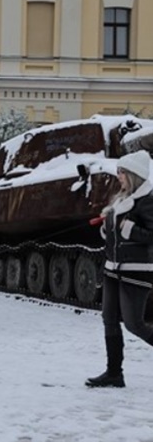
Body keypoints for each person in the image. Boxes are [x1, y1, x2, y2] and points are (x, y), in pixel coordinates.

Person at [86, 150, 153, 388]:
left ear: (134, 175)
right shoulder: (120, 200)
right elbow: (115, 235)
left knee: (135, 324)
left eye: (122, 173)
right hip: (113, 268)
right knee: (109, 319)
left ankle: (114, 372)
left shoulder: (147, 200)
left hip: (137, 270)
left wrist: (129, 229)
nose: (119, 177)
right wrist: (108, 228)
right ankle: (114, 373)